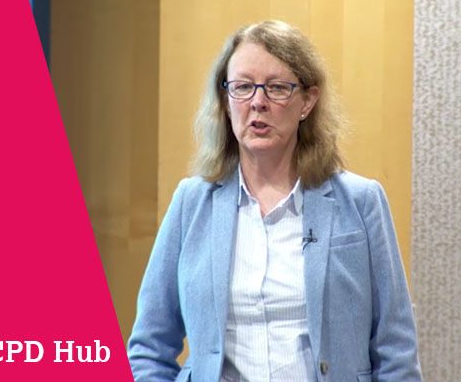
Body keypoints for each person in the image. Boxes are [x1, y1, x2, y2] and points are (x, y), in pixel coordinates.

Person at [127, 20, 422, 382]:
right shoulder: (192, 203)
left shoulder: (361, 202)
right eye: (243, 87)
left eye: (277, 88)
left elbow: (396, 351)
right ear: (226, 102)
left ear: (307, 102)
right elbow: (149, 348)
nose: (258, 102)